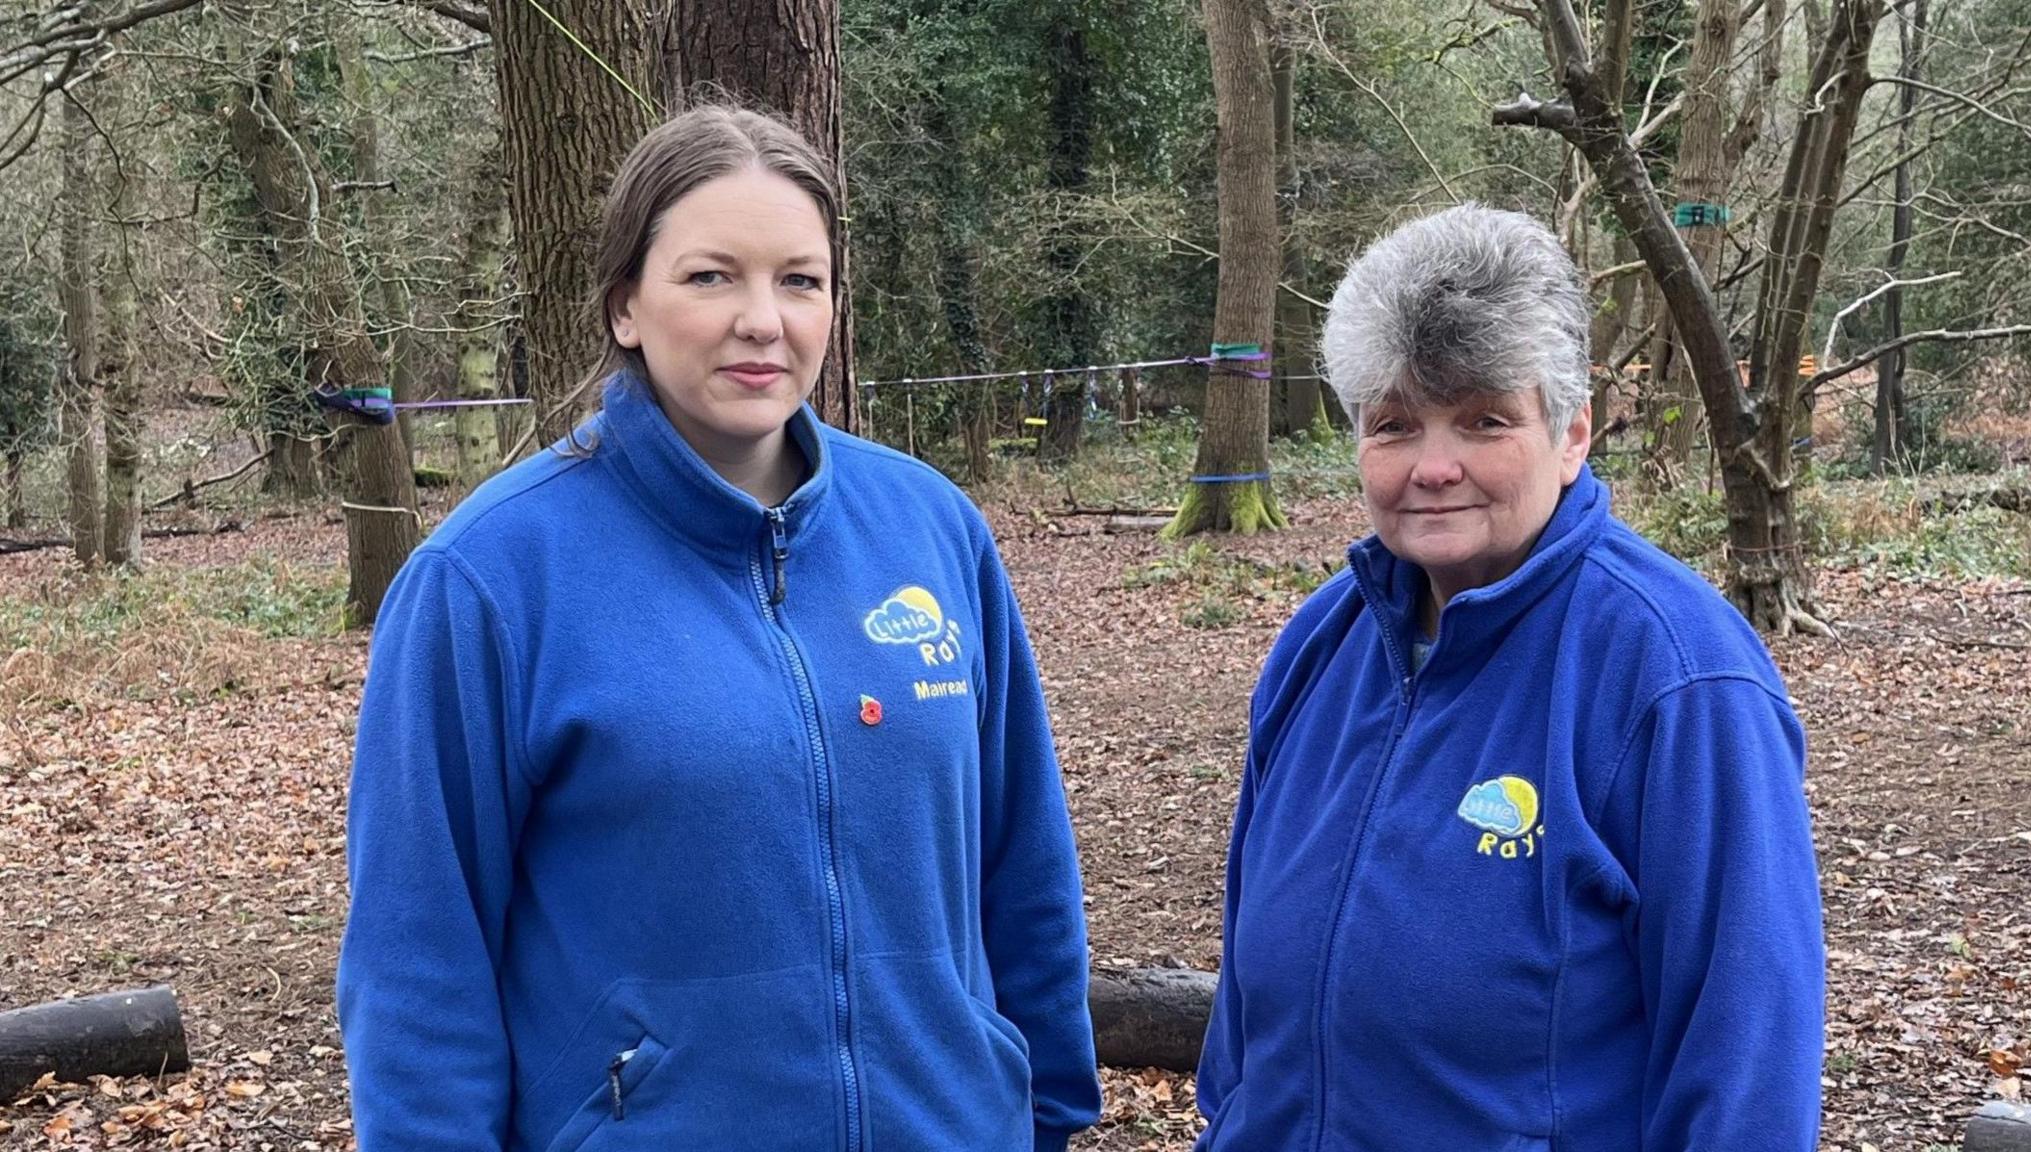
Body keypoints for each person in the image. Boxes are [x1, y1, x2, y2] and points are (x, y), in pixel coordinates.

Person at [336, 104, 1100, 1152]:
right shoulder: (488, 580)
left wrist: (1049, 1111)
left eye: (799, 279)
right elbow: (418, 952)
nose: (762, 318)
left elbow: (1024, 863)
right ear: (624, 308)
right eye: (710, 276)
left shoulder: (931, 531)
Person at [1193, 204, 1824, 1151]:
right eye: (1396, 424)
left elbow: (1744, 1076)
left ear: (1572, 434)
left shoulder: (1679, 680)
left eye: (1484, 420)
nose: (1434, 466)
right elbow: (1248, 1008)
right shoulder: (1320, 645)